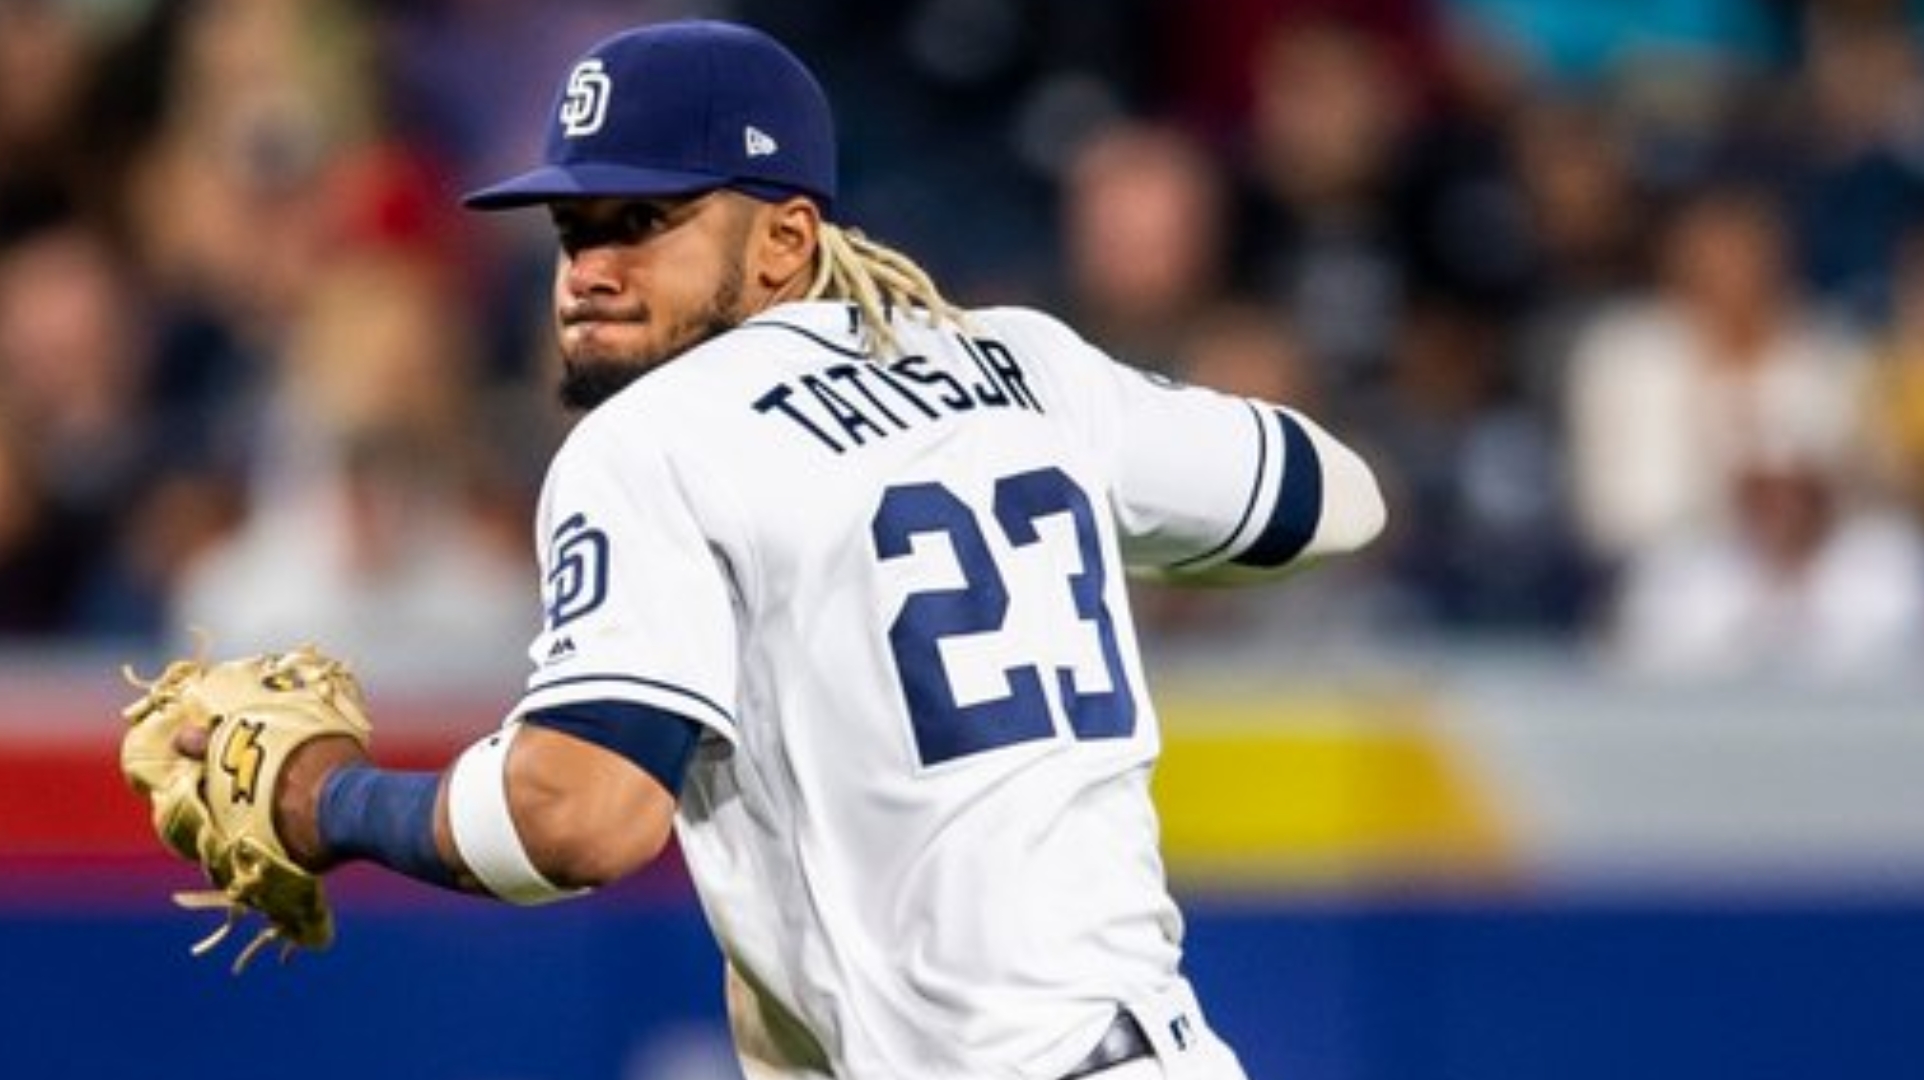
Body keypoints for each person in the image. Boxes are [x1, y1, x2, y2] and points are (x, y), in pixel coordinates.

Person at [180, 20, 1385, 1080]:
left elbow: (582, 817)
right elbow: (1337, 500)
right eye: (573, 226)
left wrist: (324, 801)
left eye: (644, 221)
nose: (590, 270)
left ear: (785, 240)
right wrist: (1043, 481)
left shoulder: (652, 437)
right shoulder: (1028, 365)